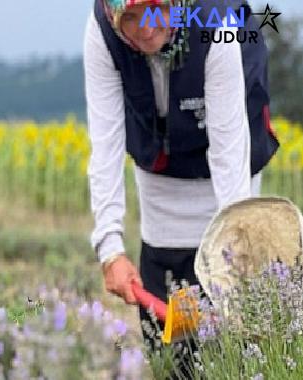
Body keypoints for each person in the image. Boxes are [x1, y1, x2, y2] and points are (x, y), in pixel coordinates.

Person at [84, 0, 278, 356]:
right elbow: (106, 144)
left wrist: (236, 251)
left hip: (228, 168)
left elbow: (228, 153)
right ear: (114, 18)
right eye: (130, 18)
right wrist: (110, 249)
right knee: (170, 340)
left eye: (153, 11)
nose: (145, 28)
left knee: (229, 337)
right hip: (161, 176)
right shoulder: (102, 33)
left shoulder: (216, 25)